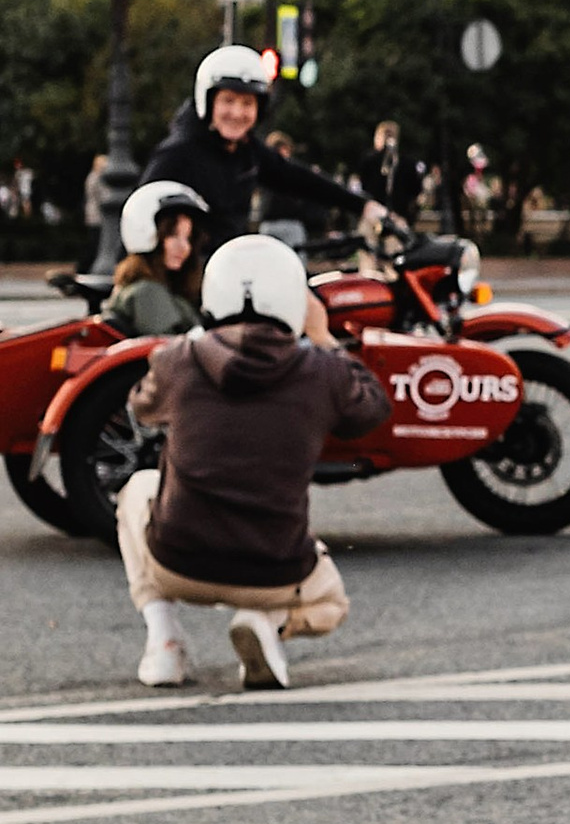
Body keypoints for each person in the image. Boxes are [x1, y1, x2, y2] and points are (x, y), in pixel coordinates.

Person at [119, 234, 388, 692]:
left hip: (178, 562)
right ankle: (268, 623)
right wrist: (323, 338)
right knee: (332, 604)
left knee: (137, 490)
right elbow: (373, 410)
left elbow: (139, 408)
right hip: (275, 572)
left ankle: (164, 642)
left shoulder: (178, 360)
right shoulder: (322, 371)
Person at [139, 46, 375, 257]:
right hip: (186, 276)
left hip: (231, 268)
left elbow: (297, 178)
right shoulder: (178, 154)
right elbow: (140, 213)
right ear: (207, 102)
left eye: (247, 104)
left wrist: (363, 206)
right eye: (228, 101)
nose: (237, 113)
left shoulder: (247, 150)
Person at [102, 183, 207, 336]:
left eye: (189, 238)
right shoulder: (147, 291)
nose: (184, 247)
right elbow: (172, 350)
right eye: (172, 234)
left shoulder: (160, 287)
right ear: (147, 232)